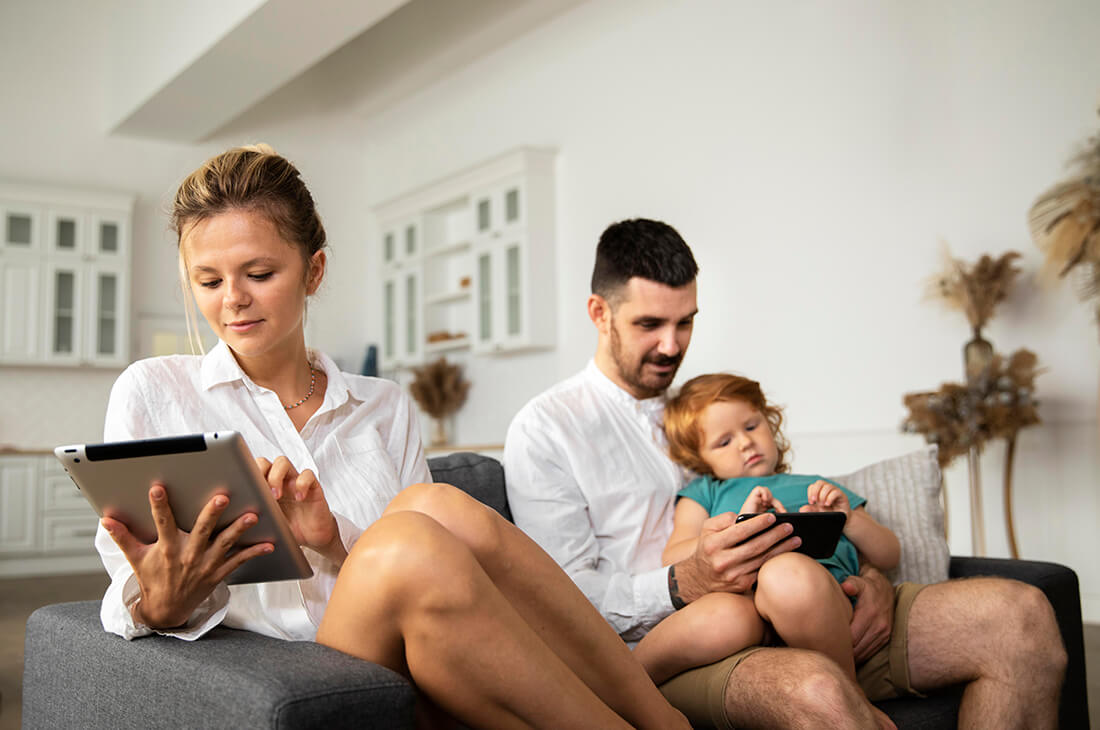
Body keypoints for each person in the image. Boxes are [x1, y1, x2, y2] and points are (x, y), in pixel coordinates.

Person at [94, 146, 689, 730]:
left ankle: (660, 720)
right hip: (321, 658)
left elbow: (442, 573)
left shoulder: (383, 405)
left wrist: (332, 542)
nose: (233, 300)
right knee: (409, 531)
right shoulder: (154, 391)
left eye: (259, 273)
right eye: (208, 281)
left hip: (429, 647)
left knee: (427, 508)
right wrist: (158, 601)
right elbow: (129, 584)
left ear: (314, 271)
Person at [503, 217, 1067, 729]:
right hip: (691, 642)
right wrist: (684, 582)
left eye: (686, 323)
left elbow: (799, 499)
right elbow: (562, 599)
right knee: (820, 694)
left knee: (1022, 617)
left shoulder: (704, 412)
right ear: (599, 313)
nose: (672, 345)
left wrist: (869, 579)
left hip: (809, 605)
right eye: (650, 324)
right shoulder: (548, 429)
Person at [634, 372, 900, 709]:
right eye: (724, 441)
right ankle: (623, 685)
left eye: (751, 426)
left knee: (785, 575)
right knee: (720, 615)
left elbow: (890, 553)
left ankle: (850, 699)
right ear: (702, 460)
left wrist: (847, 518)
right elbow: (673, 556)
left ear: (770, 425)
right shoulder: (706, 493)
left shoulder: (816, 485)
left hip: (818, 609)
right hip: (744, 606)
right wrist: (735, 529)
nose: (745, 443)